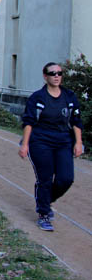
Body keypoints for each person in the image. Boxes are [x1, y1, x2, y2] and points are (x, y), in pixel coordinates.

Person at [19, 62, 84, 231]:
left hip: (63, 141)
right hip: (40, 141)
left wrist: (78, 142)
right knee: (45, 178)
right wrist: (25, 145)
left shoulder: (69, 97)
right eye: (52, 73)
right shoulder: (38, 98)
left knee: (66, 178)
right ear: (45, 76)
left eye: (59, 73)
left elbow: (76, 122)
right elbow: (29, 122)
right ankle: (44, 214)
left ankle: (46, 200)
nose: (56, 76)